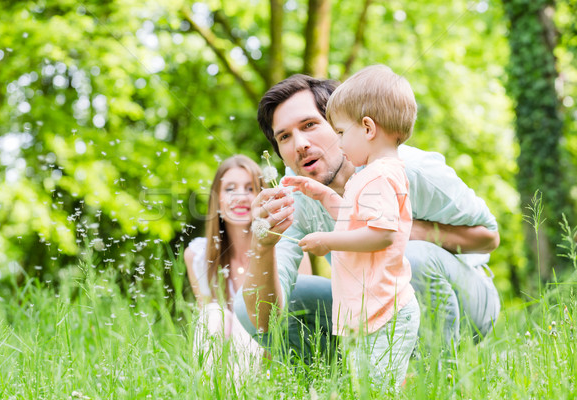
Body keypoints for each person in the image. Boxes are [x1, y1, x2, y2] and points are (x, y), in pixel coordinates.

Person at [234, 72, 500, 365]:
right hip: (373, 310)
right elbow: (264, 320)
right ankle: (345, 384)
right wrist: (262, 246)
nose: (300, 144)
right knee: (245, 305)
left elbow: (488, 237)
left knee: (413, 256)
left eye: (309, 125)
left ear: (341, 125)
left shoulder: (406, 169)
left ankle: (432, 378)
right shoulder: (294, 198)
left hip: (468, 304)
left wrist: (404, 230)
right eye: (284, 136)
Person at [282, 65, 420, 386]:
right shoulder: (372, 174)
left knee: (378, 389)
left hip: (385, 312)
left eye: (342, 133)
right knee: (368, 386)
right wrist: (324, 195)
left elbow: (382, 234)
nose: (338, 143)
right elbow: (355, 217)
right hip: (371, 311)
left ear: (368, 128)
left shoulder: (379, 176)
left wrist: (329, 242)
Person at [184, 155, 266, 377]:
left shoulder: (284, 248)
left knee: (244, 320)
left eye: (250, 189)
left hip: (272, 359)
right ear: (217, 199)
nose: (241, 197)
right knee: (212, 313)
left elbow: (299, 319)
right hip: (226, 366)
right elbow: (210, 333)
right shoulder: (198, 256)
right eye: (230, 189)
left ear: (262, 197)